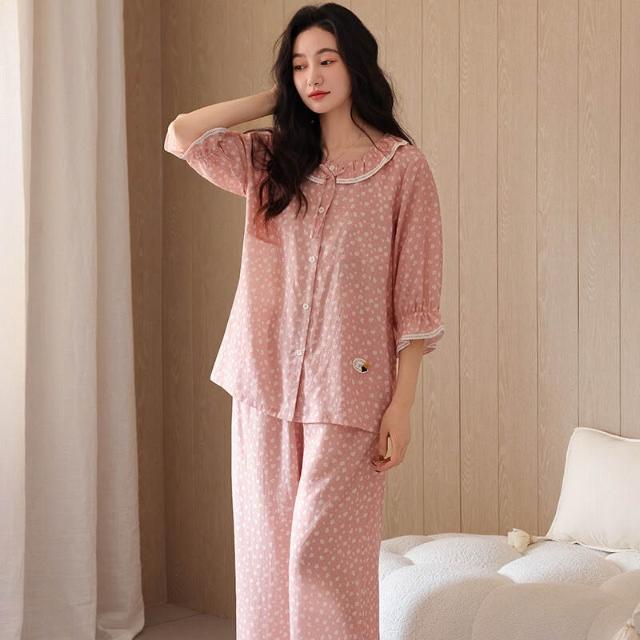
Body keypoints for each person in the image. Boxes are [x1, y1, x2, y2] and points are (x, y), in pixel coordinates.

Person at [163, 3, 444, 638]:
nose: (312, 76)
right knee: (265, 556)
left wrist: (402, 405)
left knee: (323, 558)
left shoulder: (402, 169)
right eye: (298, 66)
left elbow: (416, 301)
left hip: (350, 391)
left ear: (356, 65)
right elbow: (182, 135)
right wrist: (276, 95)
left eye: (326, 61)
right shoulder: (273, 159)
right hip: (262, 383)